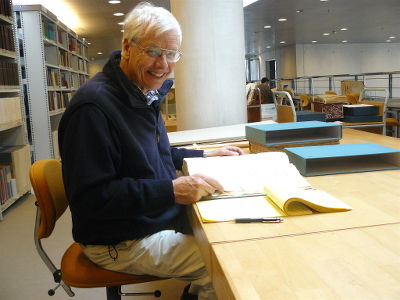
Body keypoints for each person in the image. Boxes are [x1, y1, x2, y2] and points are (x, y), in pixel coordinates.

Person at [58, 2, 244, 300]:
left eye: (171, 54)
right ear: (127, 46)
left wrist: (206, 156)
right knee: (226, 266)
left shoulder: (142, 91)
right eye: (154, 51)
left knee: (235, 233)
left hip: (148, 218)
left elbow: (155, 153)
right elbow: (92, 200)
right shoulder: (93, 109)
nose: (163, 64)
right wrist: (171, 191)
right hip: (118, 239)